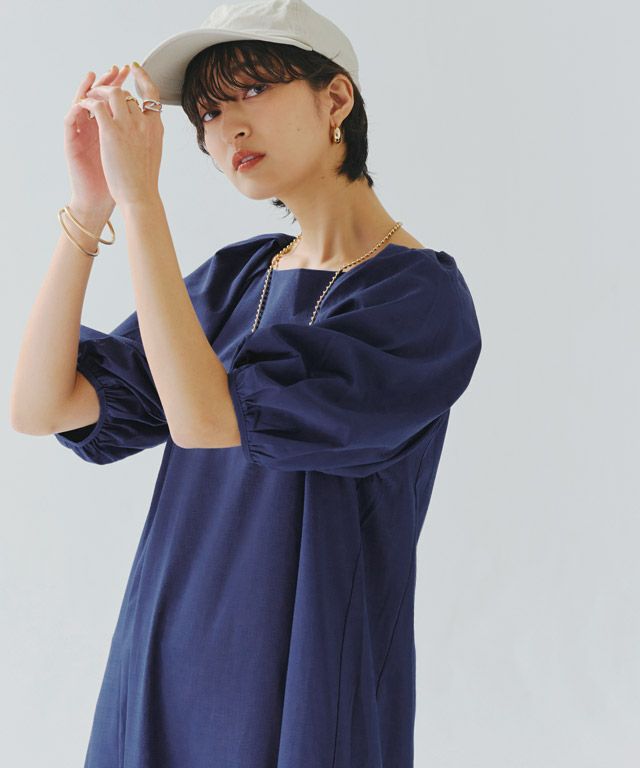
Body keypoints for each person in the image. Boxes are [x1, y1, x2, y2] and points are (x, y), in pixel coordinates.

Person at [10, 1, 482, 766]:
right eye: (206, 112)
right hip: (164, 653)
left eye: (253, 90)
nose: (225, 126)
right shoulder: (237, 279)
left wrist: (143, 202)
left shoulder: (417, 301)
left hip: (304, 681)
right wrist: (92, 207)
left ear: (335, 98)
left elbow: (206, 419)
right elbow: (41, 406)